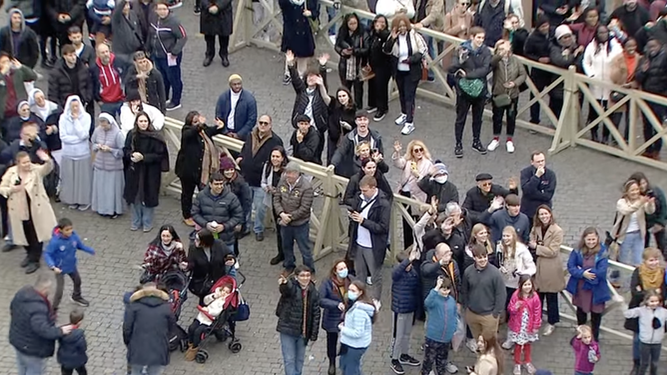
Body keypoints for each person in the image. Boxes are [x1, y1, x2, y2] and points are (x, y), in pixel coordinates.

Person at [0, 150, 56, 274]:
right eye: (24, 163)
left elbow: (47, 168)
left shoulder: (35, 170)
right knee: (23, 234)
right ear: (18, 163)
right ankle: (29, 254)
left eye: (28, 161)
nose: (27, 165)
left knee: (36, 234)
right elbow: (2, 188)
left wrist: (47, 160)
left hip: (36, 207)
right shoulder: (12, 172)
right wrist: (12, 189)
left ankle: (34, 260)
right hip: (19, 207)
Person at [10, 273, 75, 375]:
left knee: (22, 368)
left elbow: (12, 309)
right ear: (45, 289)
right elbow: (43, 330)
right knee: (34, 371)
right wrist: (61, 331)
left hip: (18, 342)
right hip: (32, 348)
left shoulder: (21, 294)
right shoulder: (38, 309)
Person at [173, 111, 224, 226]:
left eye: (198, 121)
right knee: (187, 194)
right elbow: (191, 133)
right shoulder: (186, 131)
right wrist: (199, 125)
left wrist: (220, 126)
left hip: (202, 171)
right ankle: (186, 215)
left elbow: (212, 130)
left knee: (204, 193)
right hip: (187, 171)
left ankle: (203, 213)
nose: (197, 124)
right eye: (194, 122)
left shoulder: (203, 131)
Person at [238, 115, 284, 241]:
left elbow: (280, 158)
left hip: (261, 181)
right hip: (246, 177)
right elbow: (244, 149)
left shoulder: (275, 140)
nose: (263, 125)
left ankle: (258, 229)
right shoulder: (250, 135)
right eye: (261, 122)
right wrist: (241, 158)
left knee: (260, 209)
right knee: (246, 205)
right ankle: (245, 227)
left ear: (270, 125)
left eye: (265, 123)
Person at [123, 111, 170, 232]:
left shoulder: (155, 137)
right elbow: (125, 150)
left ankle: (147, 222)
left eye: (145, 121)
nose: (143, 124)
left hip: (150, 172)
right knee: (135, 197)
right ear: (136, 122)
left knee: (148, 197)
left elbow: (159, 155)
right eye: (141, 121)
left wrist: (144, 157)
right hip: (134, 171)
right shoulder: (132, 135)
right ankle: (135, 221)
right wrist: (131, 155)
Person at [450, 27, 492, 158]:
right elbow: (452, 67)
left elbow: (485, 69)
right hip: (464, 90)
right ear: (472, 37)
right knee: (460, 118)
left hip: (480, 90)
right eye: (478, 37)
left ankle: (476, 141)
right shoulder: (462, 49)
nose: (481, 41)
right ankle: (458, 144)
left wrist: (468, 75)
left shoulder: (485, 51)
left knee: (478, 118)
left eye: (482, 38)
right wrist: (460, 61)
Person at [382, 14, 427, 135]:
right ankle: (404, 113)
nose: (402, 28)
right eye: (399, 26)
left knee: (409, 96)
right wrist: (392, 39)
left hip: (412, 71)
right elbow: (386, 50)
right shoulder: (393, 37)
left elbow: (423, 50)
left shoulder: (414, 35)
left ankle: (409, 122)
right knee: (401, 93)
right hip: (398, 70)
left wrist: (411, 59)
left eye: (403, 26)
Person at [624, 248, 666, 374]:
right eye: (651, 260)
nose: (654, 263)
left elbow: (664, 292)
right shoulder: (639, 272)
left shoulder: (662, 272)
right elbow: (635, 292)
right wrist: (653, 293)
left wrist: (647, 293)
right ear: (645, 261)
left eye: (656, 260)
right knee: (637, 339)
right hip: (640, 311)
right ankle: (637, 363)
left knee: (656, 337)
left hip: (658, 312)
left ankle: (653, 364)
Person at [566, 227, 611, 341]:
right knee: (581, 312)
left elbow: (602, 270)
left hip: (596, 288)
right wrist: (582, 273)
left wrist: (588, 273)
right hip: (581, 288)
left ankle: (594, 337)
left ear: (597, 239)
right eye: (588, 240)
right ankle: (581, 334)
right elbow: (571, 266)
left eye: (593, 239)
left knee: (596, 314)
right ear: (584, 239)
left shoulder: (602, 251)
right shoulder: (577, 250)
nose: (591, 242)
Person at [276, 265, 321, 375]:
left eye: (307, 275)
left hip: (303, 333)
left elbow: (316, 314)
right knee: (289, 360)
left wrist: (313, 334)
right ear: (296, 277)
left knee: (299, 360)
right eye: (302, 275)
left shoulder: (313, 292)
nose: (305, 278)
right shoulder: (292, 288)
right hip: (288, 330)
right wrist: (284, 283)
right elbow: (286, 289)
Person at [583, 24, 623, 143]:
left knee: (608, 111)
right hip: (595, 85)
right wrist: (591, 75)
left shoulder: (615, 46)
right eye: (600, 33)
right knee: (594, 111)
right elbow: (586, 62)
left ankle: (605, 135)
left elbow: (620, 61)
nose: (603, 35)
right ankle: (594, 132)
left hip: (609, 84)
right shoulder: (591, 46)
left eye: (605, 32)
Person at [123, 282, 175, 375]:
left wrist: (129, 343)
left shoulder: (133, 306)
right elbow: (171, 328)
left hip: (137, 348)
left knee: (135, 371)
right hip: (159, 349)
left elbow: (127, 329)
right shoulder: (166, 308)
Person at [528, 205, 565, 336]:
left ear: (550, 214)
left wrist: (537, 247)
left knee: (551, 297)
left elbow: (552, 251)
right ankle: (536, 320)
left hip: (550, 268)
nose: (544, 216)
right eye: (541, 214)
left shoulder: (557, 230)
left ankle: (552, 322)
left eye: (546, 214)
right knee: (537, 296)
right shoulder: (536, 228)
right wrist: (534, 243)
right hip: (537, 266)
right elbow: (531, 238)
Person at [44, 217, 95, 310]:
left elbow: (79, 245)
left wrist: (89, 250)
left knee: (77, 281)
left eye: (71, 228)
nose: (70, 231)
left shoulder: (73, 237)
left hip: (71, 265)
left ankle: (76, 296)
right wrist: (52, 266)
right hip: (59, 268)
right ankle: (53, 308)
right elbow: (47, 254)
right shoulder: (55, 242)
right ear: (60, 230)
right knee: (59, 290)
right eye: (67, 230)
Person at [285, 51, 330, 158]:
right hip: (301, 127)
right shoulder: (302, 91)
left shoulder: (320, 93)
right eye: (309, 76)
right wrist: (291, 64)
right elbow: (295, 79)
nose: (311, 78)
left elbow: (324, 83)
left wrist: (322, 66)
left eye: (313, 77)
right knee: (298, 151)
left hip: (316, 129)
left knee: (315, 155)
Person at [273, 162, 315, 274]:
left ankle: (309, 270)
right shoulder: (282, 182)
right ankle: (289, 265)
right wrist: (281, 214)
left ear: (298, 174)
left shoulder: (306, 187)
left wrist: (289, 217)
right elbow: (276, 199)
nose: (288, 175)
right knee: (286, 246)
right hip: (285, 222)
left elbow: (305, 207)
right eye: (287, 173)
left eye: (291, 173)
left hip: (300, 224)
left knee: (305, 249)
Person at [462, 246, 506, 346]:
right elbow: (464, 290)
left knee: (490, 344)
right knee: (479, 343)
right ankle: (481, 360)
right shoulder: (468, 272)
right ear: (474, 258)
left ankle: (491, 360)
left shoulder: (495, 273)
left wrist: (495, 313)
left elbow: (501, 294)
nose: (483, 260)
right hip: (472, 314)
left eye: (484, 256)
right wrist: (467, 307)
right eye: (479, 257)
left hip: (489, 315)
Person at [192, 171, 244, 255]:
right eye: (216, 184)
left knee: (228, 262)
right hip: (206, 236)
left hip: (226, 238)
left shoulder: (231, 197)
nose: (219, 187)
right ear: (210, 184)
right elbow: (194, 213)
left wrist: (224, 226)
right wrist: (206, 224)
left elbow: (238, 216)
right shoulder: (201, 196)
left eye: (221, 184)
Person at [392, 139, 432, 248]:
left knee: (419, 223)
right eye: (416, 151)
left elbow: (429, 182)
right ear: (412, 152)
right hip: (405, 194)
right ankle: (408, 248)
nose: (419, 152)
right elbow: (398, 163)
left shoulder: (428, 163)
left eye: (421, 150)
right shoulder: (409, 161)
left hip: (418, 197)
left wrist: (417, 174)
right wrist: (397, 152)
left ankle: (420, 247)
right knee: (406, 223)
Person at [488, 39, 526, 153]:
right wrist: (499, 55)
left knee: (511, 117)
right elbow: (491, 64)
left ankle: (509, 140)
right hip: (498, 94)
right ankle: (496, 139)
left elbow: (523, 74)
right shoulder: (496, 60)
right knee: (497, 117)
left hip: (512, 95)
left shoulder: (516, 60)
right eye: (500, 49)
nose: (504, 51)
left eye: (505, 49)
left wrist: (514, 83)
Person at [149, 0, 187, 111]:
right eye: (159, 9)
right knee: (162, 77)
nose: (162, 12)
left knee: (173, 77)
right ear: (156, 10)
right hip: (157, 54)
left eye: (164, 9)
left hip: (170, 56)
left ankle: (176, 100)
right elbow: (151, 34)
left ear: (168, 9)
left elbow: (183, 37)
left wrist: (175, 51)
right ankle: (164, 96)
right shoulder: (154, 19)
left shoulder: (174, 22)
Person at [495, 226, 536, 329]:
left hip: (516, 284)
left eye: (508, 236)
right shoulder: (499, 247)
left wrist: (522, 273)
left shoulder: (522, 249)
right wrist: (500, 269)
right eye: (504, 236)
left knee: (514, 307)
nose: (505, 238)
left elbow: (532, 267)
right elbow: (497, 262)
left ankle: (514, 327)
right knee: (503, 304)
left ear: (513, 236)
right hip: (503, 282)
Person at [634, 38, 667, 159]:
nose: (651, 49)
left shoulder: (665, 58)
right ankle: (648, 149)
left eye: (654, 46)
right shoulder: (644, 59)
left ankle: (656, 151)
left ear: (660, 46)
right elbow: (637, 77)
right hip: (646, 95)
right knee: (646, 124)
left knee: (658, 124)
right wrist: (643, 71)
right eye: (649, 47)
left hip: (660, 95)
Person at [319, 259, 353, 375]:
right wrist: (336, 304)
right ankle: (332, 363)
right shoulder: (327, 283)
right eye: (341, 269)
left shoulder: (350, 280)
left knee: (347, 341)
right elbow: (321, 300)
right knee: (331, 342)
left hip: (348, 317)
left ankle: (344, 361)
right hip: (332, 317)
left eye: (345, 268)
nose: (344, 271)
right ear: (335, 271)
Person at [390, 250, 421, 375]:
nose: (409, 266)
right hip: (400, 309)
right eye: (407, 264)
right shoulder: (397, 273)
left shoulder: (413, 273)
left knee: (407, 334)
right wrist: (408, 260)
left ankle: (404, 354)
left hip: (410, 308)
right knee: (398, 336)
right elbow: (396, 273)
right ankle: (394, 359)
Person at [58, 95, 92, 211]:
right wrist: (76, 140)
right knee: (70, 179)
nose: (75, 109)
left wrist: (76, 121)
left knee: (82, 179)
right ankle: (72, 200)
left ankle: (83, 200)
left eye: (77, 106)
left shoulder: (86, 117)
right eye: (73, 106)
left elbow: (84, 135)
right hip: (68, 153)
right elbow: (63, 137)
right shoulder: (63, 118)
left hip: (82, 153)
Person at [187, 228, 236, 304]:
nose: (195, 241)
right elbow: (191, 263)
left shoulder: (219, 244)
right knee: (204, 302)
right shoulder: (193, 248)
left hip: (218, 279)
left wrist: (231, 259)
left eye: (198, 240)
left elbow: (229, 254)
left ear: (205, 241)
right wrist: (186, 266)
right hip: (202, 281)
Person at [185, 283, 232, 360]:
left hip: (209, 320)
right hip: (201, 316)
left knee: (198, 332)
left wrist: (208, 310)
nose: (224, 293)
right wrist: (213, 296)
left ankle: (194, 348)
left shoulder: (224, 303)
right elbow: (205, 301)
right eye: (223, 290)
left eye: (227, 292)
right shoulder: (216, 295)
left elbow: (217, 312)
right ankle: (190, 343)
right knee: (191, 328)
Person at [614, 178, 656, 266]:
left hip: (639, 234)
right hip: (625, 235)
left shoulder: (641, 200)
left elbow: (649, 211)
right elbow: (627, 211)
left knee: (638, 260)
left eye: (637, 189)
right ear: (626, 192)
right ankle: (617, 278)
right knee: (622, 260)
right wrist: (640, 203)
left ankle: (637, 278)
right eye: (632, 190)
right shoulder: (621, 202)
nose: (635, 192)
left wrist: (650, 204)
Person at [338, 280, 377, 375]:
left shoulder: (359, 312)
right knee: (348, 366)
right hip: (351, 343)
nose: (350, 292)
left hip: (355, 345)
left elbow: (358, 333)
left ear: (360, 292)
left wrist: (342, 328)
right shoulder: (354, 304)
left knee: (351, 370)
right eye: (349, 289)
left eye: (353, 291)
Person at [420, 276, 457, 375]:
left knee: (441, 364)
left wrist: (454, 328)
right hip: (433, 337)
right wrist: (436, 287)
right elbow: (427, 303)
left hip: (446, 339)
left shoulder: (452, 301)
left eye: (447, 290)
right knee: (428, 362)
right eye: (443, 289)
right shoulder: (434, 300)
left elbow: (454, 315)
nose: (445, 292)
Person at [91, 113, 125, 218]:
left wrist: (110, 150)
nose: (103, 126)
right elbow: (92, 144)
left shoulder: (118, 134)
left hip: (113, 167)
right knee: (101, 189)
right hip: (100, 165)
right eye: (101, 124)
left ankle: (114, 210)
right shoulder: (97, 131)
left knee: (112, 191)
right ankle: (101, 209)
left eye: (105, 124)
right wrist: (98, 146)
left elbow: (122, 151)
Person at [330, 111, 384, 178]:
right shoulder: (349, 137)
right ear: (356, 122)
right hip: (354, 172)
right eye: (360, 120)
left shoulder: (375, 137)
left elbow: (381, 154)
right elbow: (340, 151)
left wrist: (379, 160)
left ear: (368, 121)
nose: (362, 122)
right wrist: (333, 164)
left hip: (370, 171)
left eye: (365, 119)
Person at [506, 276, 541, 375]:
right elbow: (510, 309)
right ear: (520, 285)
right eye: (525, 284)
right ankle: (517, 363)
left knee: (527, 344)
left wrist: (536, 326)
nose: (527, 287)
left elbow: (537, 312)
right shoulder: (516, 295)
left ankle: (527, 361)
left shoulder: (534, 296)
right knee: (518, 345)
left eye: (529, 284)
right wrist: (515, 307)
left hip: (528, 326)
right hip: (518, 326)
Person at [278, 0, 319, 83]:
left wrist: (310, 13)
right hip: (291, 27)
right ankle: (288, 73)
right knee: (290, 52)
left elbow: (316, 11)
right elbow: (282, 4)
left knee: (303, 55)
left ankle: (301, 75)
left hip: (304, 28)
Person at [549, 25, 584, 118]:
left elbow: (579, 64)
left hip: (574, 84)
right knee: (558, 110)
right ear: (559, 39)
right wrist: (574, 55)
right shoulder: (554, 48)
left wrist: (575, 54)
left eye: (569, 36)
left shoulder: (576, 46)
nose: (568, 39)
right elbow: (561, 61)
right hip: (558, 84)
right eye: (565, 37)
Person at [262, 146, 290, 264]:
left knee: (287, 231)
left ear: (283, 158)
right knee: (278, 229)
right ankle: (281, 253)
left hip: (286, 204)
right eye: (273, 156)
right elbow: (263, 182)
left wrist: (277, 191)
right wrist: (267, 188)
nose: (275, 159)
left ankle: (289, 256)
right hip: (273, 201)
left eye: (277, 156)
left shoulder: (286, 170)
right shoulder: (267, 167)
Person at [335, 13, 369, 110]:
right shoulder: (342, 32)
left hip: (358, 66)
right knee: (345, 89)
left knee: (358, 90)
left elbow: (367, 49)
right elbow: (336, 46)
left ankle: (358, 109)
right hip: (345, 65)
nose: (353, 26)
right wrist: (342, 51)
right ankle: (345, 108)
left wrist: (354, 51)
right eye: (351, 24)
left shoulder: (363, 33)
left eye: (355, 23)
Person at [523, 16, 552, 126]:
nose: (546, 28)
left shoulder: (552, 33)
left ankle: (555, 119)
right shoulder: (532, 38)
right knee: (535, 96)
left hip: (551, 71)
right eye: (543, 26)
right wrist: (538, 59)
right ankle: (534, 120)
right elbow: (527, 53)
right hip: (538, 72)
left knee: (554, 95)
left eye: (547, 25)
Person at [629, 172, 667, 254]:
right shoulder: (633, 195)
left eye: (644, 183)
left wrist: (661, 223)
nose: (642, 186)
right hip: (643, 225)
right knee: (643, 247)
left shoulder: (656, 191)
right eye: (639, 184)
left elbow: (664, 207)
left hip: (656, 221)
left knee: (663, 245)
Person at [47, 45, 93, 112]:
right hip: (64, 107)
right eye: (70, 55)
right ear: (64, 56)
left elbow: (89, 84)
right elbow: (53, 93)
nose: (73, 58)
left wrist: (87, 99)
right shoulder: (56, 73)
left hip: (81, 104)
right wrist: (60, 107)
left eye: (74, 55)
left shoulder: (83, 68)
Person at [215, 74, 258, 141]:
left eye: (239, 84)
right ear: (230, 85)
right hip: (225, 132)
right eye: (234, 84)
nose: (237, 86)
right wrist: (225, 131)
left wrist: (239, 134)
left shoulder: (250, 99)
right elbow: (218, 116)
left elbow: (252, 120)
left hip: (243, 135)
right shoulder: (223, 97)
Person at [520, 151, 557, 226]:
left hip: (544, 211)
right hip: (528, 210)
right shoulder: (525, 173)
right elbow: (526, 190)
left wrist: (533, 193)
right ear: (532, 162)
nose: (541, 163)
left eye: (542, 161)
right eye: (538, 162)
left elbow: (548, 196)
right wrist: (536, 177)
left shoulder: (551, 175)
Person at [90, 43, 127, 118]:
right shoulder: (94, 68)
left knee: (125, 125)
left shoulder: (118, 61)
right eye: (102, 52)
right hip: (105, 103)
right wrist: (98, 100)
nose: (105, 54)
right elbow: (92, 85)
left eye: (107, 51)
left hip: (121, 99)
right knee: (109, 127)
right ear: (98, 54)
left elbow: (128, 72)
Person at [220, 156, 252, 242]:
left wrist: (241, 222)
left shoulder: (241, 182)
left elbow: (246, 203)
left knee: (233, 239)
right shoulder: (219, 180)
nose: (230, 172)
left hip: (236, 213)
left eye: (231, 169)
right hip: (223, 213)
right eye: (227, 170)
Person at [0, 52, 37, 125]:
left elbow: (33, 76)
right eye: (3, 62)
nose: (6, 64)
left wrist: (21, 67)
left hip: (21, 108)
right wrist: (2, 74)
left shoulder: (17, 72)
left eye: (8, 61)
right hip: (7, 112)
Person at [367, 15, 391, 122]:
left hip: (383, 65)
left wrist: (380, 30)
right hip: (372, 63)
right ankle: (373, 104)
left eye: (383, 22)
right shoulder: (372, 34)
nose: (380, 24)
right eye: (378, 22)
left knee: (381, 86)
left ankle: (382, 108)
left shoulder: (386, 34)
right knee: (372, 84)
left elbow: (386, 39)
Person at [28, 88, 62, 163]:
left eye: (41, 97)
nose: (40, 99)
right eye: (37, 98)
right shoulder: (32, 112)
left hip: (56, 142)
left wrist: (53, 128)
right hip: (42, 143)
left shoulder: (55, 108)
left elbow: (62, 123)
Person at [326, 87, 356, 164]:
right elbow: (325, 97)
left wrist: (349, 127)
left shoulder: (354, 110)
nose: (342, 98)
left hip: (346, 139)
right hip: (334, 137)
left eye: (344, 96)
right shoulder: (335, 107)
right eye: (339, 96)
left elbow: (356, 127)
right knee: (331, 159)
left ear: (348, 96)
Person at [200, 0, 233, 67]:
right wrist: (208, 6)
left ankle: (224, 55)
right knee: (209, 35)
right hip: (208, 11)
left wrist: (218, 6)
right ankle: (209, 55)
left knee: (224, 35)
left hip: (224, 10)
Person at [57, 310, 88, 375]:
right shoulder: (79, 334)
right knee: (82, 372)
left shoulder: (63, 329)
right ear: (79, 322)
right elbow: (83, 347)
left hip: (65, 358)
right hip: (78, 359)